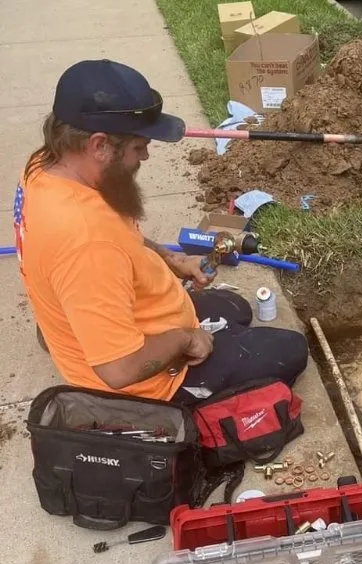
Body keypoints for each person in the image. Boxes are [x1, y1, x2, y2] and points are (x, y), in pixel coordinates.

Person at [15, 59, 308, 404]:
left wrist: (173, 260)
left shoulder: (47, 166)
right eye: (138, 147)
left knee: (235, 307)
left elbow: (121, 239)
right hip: (140, 381)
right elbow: (119, 369)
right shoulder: (86, 243)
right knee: (291, 350)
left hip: (116, 318)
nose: (146, 157)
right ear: (98, 145)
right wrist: (185, 339)